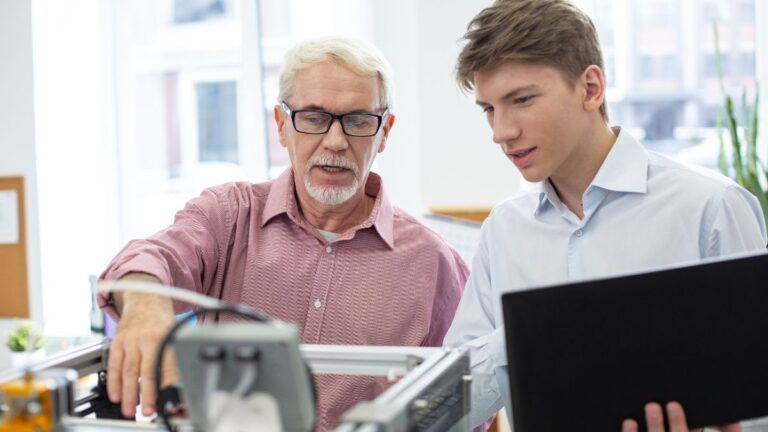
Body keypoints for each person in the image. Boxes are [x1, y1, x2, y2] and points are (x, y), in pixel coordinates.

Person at [98, 36, 468, 431]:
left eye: (359, 121)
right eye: (313, 117)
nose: (336, 141)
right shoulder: (229, 217)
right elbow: (153, 256)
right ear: (281, 124)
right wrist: (145, 301)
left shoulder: (435, 264)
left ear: (385, 132)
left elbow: (466, 407)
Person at [442, 0, 767, 431]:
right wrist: (530, 334)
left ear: (591, 88)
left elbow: (757, 405)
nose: (501, 132)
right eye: (489, 109)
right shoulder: (504, 229)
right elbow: (452, 409)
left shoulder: (713, 206)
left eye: (521, 100)